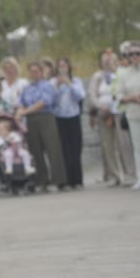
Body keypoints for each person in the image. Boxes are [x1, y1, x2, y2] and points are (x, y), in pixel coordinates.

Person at [16, 61, 68, 190]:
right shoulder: (27, 88)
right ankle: (41, 179)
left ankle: (59, 180)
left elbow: (44, 102)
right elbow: (22, 103)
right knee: (35, 150)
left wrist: (25, 111)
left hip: (45, 117)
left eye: (36, 71)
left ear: (41, 72)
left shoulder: (47, 85)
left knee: (52, 148)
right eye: (31, 71)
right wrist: (19, 113)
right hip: (31, 119)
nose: (34, 74)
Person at [89, 49, 125, 186]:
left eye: (110, 60)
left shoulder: (120, 73)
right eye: (105, 60)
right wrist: (99, 106)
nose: (108, 62)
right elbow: (92, 95)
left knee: (123, 144)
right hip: (104, 113)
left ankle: (129, 173)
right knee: (108, 145)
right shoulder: (98, 76)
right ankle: (115, 175)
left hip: (120, 112)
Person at [53, 57, 86, 189]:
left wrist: (69, 84)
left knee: (75, 148)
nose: (62, 68)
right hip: (59, 118)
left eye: (64, 65)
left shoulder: (76, 81)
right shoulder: (53, 82)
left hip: (73, 116)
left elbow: (80, 96)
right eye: (60, 65)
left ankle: (77, 179)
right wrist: (56, 86)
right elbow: (49, 100)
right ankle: (65, 180)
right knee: (63, 149)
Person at [113, 41, 140, 190]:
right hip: (133, 114)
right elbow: (118, 94)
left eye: (138, 53)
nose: (135, 56)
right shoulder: (124, 74)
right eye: (131, 54)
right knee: (137, 147)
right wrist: (132, 98)